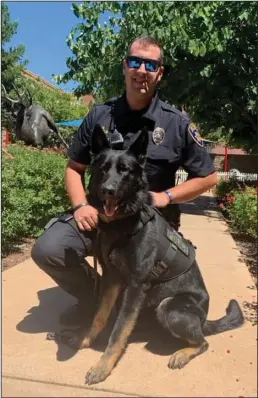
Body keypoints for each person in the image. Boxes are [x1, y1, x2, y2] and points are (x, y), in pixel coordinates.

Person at [32, 36, 217, 326]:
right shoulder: (99, 115)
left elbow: (208, 177)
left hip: (148, 224)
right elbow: (73, 168)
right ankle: (94, 299)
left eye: (151, 64)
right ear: (125, 67)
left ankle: (125, 303)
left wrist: (166, 197)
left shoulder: (176, 123)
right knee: (49, 249)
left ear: (159, 73)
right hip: (100, 216)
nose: (141, 70)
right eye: (135, 62)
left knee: (152, 314)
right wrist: (80, 205)